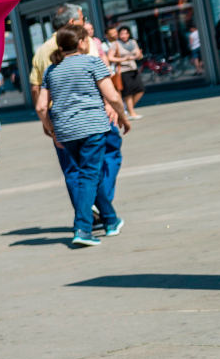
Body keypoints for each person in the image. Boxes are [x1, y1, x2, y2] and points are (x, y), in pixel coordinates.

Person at [37, 27, 129, 247]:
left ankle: (111, 220)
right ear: (80, 42)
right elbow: (112, 96)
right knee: (88, 176)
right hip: (92, 127)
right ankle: (83, 228)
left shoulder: (52, 70)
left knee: (89, 175)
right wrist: (123, 118)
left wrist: (52, 130)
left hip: (66, 131)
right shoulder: (91, 63)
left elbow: (41, 107)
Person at [108, 24, 147, 112]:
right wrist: (123, 59)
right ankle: (131, 112)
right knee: (128, 92)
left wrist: (139, 55)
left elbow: (139, 56)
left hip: (133, 68)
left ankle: (128, 108)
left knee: (140, 89)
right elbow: (110, 57)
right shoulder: (116, 44)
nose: (124, 36)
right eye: (122, 34)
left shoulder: (133, 42)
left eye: (126, 33)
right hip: (123, 70)